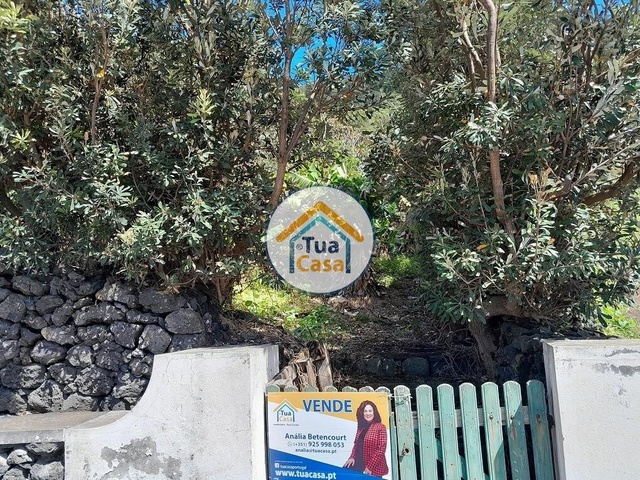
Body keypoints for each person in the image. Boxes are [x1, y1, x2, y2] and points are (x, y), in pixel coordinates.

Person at [343, 400, 389, 477]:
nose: (368, 414)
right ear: (362, 413)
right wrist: (352, 457)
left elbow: (381, 450)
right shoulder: (361, 427)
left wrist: (369, 467)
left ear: (374, 412)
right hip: (358, 462)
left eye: (370, 411)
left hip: (373, 466)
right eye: (365, 411)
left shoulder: (380, 427)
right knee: (343, 473)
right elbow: (356, 445)